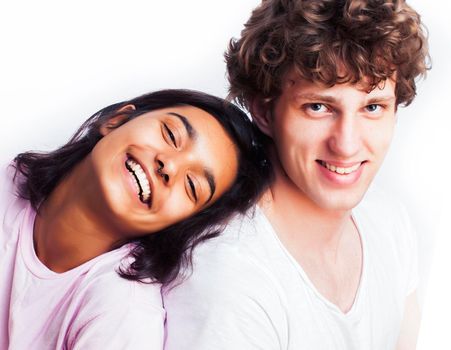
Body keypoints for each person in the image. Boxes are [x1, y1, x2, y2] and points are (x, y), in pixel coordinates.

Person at [163, 1, 430, 349]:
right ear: (263, 110)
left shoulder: (389, 220)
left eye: (372, 107)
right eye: (318, 107)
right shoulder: (230, 283)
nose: (347, 145)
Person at [0, 89, 271, 349]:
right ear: (115, 120)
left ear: (179, 224)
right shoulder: (8, 182)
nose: (170, 166)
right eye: (171, 135)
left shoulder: (122, 314)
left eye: (192, 186)